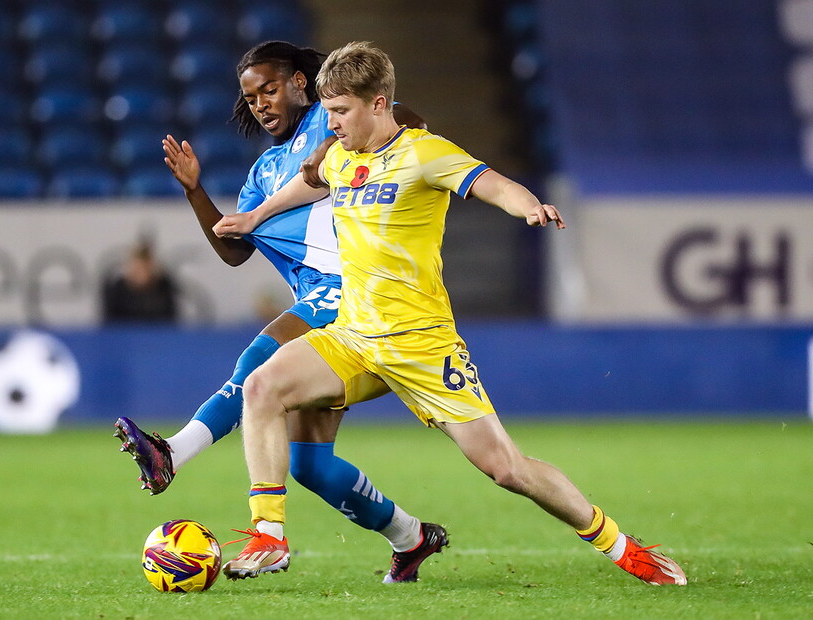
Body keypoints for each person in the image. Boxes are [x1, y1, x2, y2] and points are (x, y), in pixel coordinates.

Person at [212, 41, 688, 586]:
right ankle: (269, 537)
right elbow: (310, 182)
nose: (331, 123)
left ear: (379, 103)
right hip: (354, 336)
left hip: (423, 346)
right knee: (260, 387)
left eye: (341, 111)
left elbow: (491, 183)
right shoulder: (341, 156)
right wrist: (256, 215)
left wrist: (527, 204)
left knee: (507, 469)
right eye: (330, 110)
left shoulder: (424, 153)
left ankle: (623, 547)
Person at [113, 41, 447, 584]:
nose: (261, 104)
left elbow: (408, 118)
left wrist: (326, 154)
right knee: (310, 466)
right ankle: (411, 538)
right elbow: (234, 249)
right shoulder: (265, 172)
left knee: (261, 358)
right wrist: (197, 192)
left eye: (269, 89)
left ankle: (174, 451)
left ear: (298, 83)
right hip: (324, 307)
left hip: (354, 291)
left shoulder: (332, 119)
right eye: (251, 98)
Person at [102, 239, 178, 323]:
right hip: (125, 334)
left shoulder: (163, 287)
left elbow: (171, 320)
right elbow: (109, 324)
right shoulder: (119, 289)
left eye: (144, 268)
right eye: (136, 267)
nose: (139, 272)